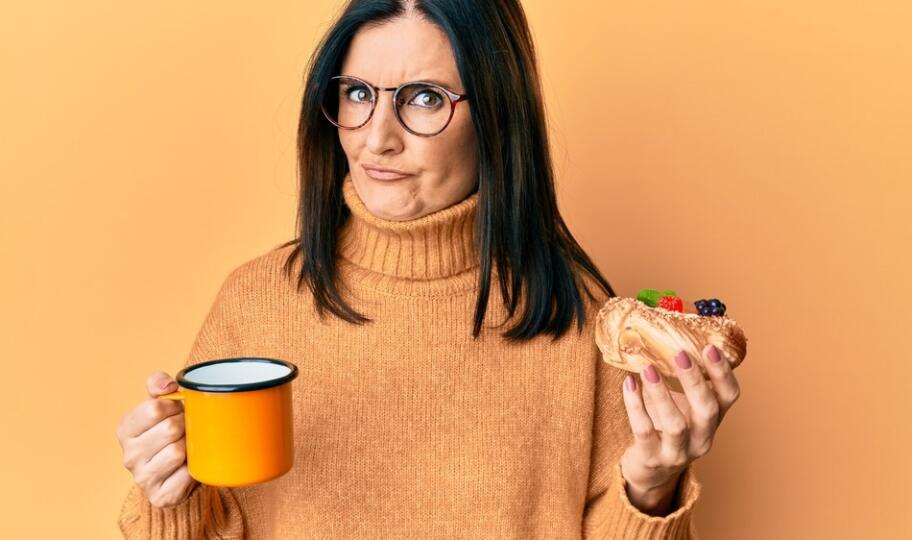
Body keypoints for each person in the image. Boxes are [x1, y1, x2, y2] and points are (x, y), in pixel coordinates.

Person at [115, 1, 742, 538]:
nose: (376, 137)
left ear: (496, 116)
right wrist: (168, 496)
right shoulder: (257, 300)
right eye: (358, 93)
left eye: (424, 99)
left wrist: (651, 489)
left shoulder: (575, 315)